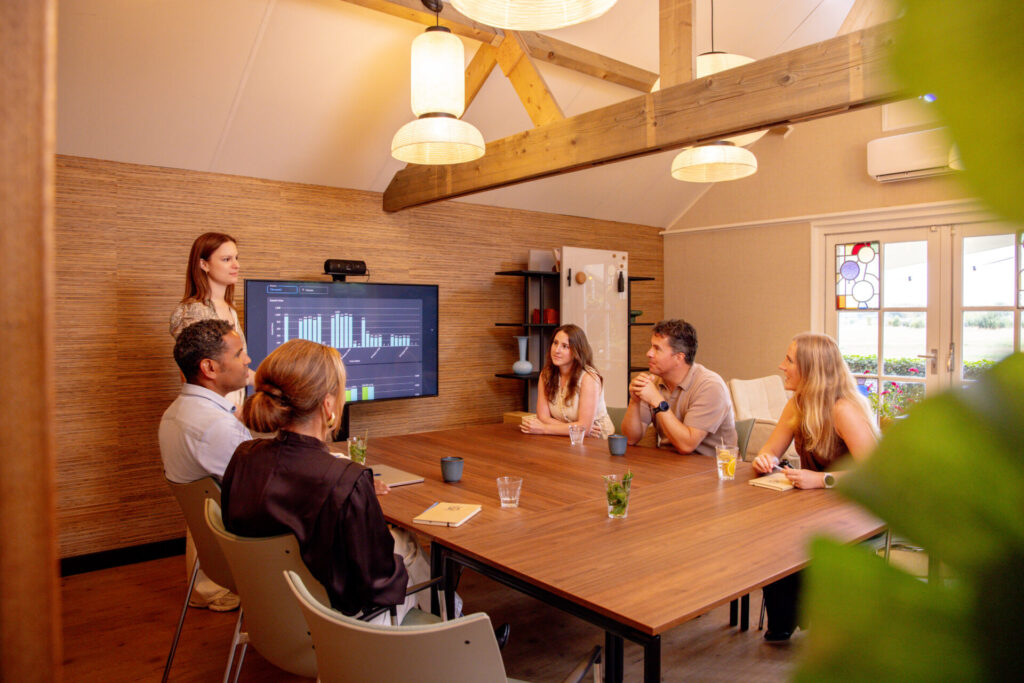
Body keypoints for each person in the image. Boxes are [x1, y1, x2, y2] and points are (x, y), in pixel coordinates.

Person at [220, 339, 431, 622]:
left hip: (271, 613)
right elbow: (378, 586)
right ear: (328, 405)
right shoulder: (347, 480)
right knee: (406, 545)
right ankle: (459, 628)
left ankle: (459, 625)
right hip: (343, 624)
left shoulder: (243, 457)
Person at [751, 332, 879, 642]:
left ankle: (803, 620)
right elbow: (769, 451)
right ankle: (784, 619)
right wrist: (765, 461)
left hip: (859, 512)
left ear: (811, 369)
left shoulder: (843, 410)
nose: (782, 366)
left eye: (790, 360)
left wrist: (821, 480)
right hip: (817, 506)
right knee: (771, 531)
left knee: (794, 536)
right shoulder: (797, 404)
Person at [159, 319, 253, 611]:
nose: (248, 360)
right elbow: (266, 493)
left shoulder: (175, 414)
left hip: (216, 554)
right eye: (239, 354)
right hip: (254, 553)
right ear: (209, 368)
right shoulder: (216, 428)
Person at [621, 319, 736, 455]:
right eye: (651, 346)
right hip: (668, 464)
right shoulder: (655, 383)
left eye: (657, 349)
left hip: (711, 470)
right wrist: (634, 401)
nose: (649, 353)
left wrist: (657, 401)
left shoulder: (710, 386)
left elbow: (686, 445)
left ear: (679, 358)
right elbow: (630, 439)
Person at [170, 232, 252, 409]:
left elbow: (237, 367)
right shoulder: (192, 312)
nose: (236, 265)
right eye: (226, 259)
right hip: (210, 412)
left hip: (232, 410)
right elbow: (194, 376)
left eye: (236, 258)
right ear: (203, 264)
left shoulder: (230, 308)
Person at [520, 324, 616, 438]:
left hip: (597, 440)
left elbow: (584, 430)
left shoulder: (589, 378)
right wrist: (575, 428)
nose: (557, 350)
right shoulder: (546, 375)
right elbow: (543, 417)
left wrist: (545, 428)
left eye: (565, 346)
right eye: (555, 343)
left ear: (577, 351)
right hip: (564, 437)